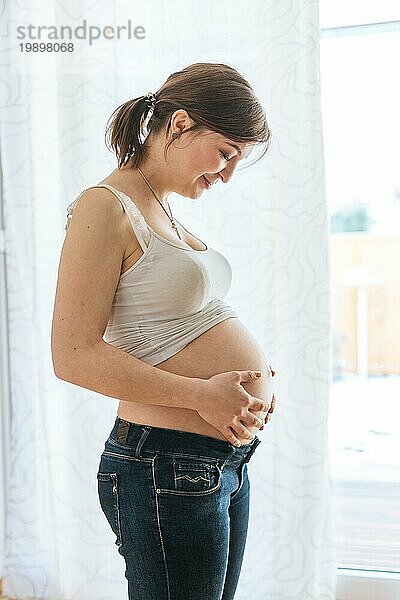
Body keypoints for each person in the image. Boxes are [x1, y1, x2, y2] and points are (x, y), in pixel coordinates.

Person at [51, 62, 277, 600]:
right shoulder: (103, 206)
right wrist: (204, 393)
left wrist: (248, 379)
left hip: (218, 460)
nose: (226, 174)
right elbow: (72, 354)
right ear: (178, 126)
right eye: (225, 153)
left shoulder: (163, 208)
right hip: (164, 462)